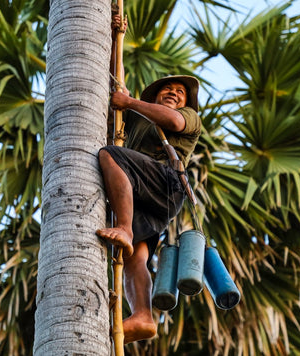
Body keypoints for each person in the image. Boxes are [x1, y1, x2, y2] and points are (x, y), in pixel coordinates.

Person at [97, 12, 202, 345]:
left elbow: (172, 121)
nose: (173, 93)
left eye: (179, 92)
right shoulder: (138, 117)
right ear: (154, 95)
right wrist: (116, 36)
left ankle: (124, 226)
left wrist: (131, 102)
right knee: (135, 257)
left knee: (109, 155)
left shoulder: (189, 117)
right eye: (167, 90)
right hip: (147, 195)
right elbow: (119, 83)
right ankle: (143, 316)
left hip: (166, 182)